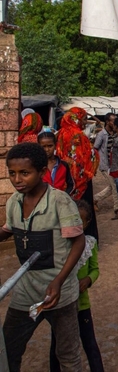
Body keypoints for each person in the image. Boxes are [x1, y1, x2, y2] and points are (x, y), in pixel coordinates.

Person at [1, 142, 85, 372]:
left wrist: (58, 281)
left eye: (25, 173)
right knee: (9, 348)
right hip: (26, 291)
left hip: (58, 291)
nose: (17, 179)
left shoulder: (59, 201)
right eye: (12, 173)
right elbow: (8, 230)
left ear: (41, 172)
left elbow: (78, 241)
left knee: (67, 354)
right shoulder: (13, 203)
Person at [50, 200, 104, 372]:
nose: (76, 225)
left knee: (89, 343)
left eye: (80, 221)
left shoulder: (90, 244)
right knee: (57, 345)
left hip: (82, 304)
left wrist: (88, 279)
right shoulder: (59, 246)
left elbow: (95, 269)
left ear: (87, 223)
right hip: (62, 303)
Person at [56, 107, 100, 240]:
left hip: (66, 179)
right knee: (85, 209)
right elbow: (87, 157)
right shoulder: (79, 135)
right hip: (82, 179)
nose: (85, 122)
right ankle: (88, 239)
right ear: (77, 118)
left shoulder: (60, 134)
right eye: (84, 118)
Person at [93, 112, 118, 218]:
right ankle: (117, 208)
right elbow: (95, 148)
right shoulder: (101, 135)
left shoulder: (115, 133)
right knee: (114, 185)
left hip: (113, 164)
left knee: (113, 185)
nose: (115, 123)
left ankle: (95, 199)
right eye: (113, 121)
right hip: (105, 164)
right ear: (108, 122)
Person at [37, 130, 74, 195]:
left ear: (55, 145)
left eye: (50, 146)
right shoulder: (37, 165)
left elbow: (71, 185)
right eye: (43, 147)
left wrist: (65, 196)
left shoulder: (63, 165)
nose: (47, 150)